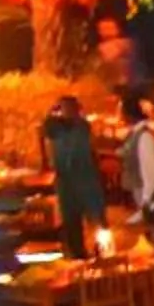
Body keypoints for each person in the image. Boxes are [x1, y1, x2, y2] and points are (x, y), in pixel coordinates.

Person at [43, 94, 103, 259]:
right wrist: (52, 111)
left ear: (77, 110)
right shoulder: (57, 128)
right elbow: (46, 127)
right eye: (64, 108)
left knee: (94, 217)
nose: (67, 112)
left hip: (84, 178)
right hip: (66, 180)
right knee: (71, 220)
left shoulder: (82, 127)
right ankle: (78, 254)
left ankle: (98, 252)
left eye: (70, 108)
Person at [119, 95, 154, 238]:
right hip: (141, 188)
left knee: (153, 223)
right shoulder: (135, 134)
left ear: (129, 115)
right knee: (151, 224)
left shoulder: (144, 137)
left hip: (148, 190)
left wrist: (147, 198)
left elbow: (149, 170)